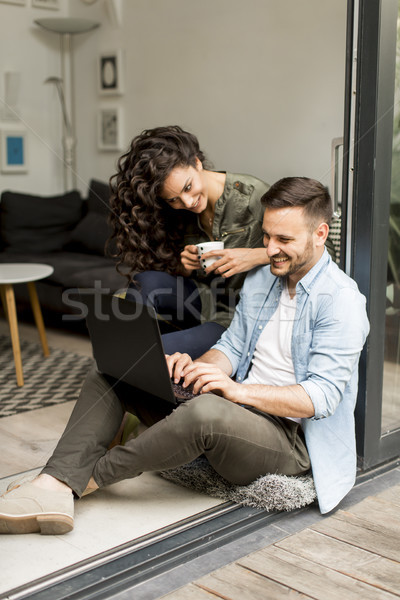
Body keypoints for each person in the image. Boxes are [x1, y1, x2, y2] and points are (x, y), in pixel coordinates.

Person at [0, 176, 369, 535]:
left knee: (206, 411)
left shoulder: (341, 302)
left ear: (320, 234)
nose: (270, 249)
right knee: (116, 371)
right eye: (267, 236)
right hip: (235, 411)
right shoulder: (263, 280)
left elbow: (321, 397)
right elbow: (232, 346)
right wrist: (196, 368)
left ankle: (78, 482)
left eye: (284, 239)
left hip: (287, 440)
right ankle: (55, 479)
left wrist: (235, 392)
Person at [108, 125, 270, 358]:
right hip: (206, 300)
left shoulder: (253, 196)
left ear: (197, 163)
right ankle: (123, 347)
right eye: (173, 199)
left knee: (152, 352)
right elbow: (174, 270)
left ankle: (128, 356)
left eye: (188, 187)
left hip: (242, 315)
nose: (187, 202)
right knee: (145, 281)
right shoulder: (180, 212)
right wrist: (185, 266)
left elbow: (320, 252)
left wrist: (252, 256)